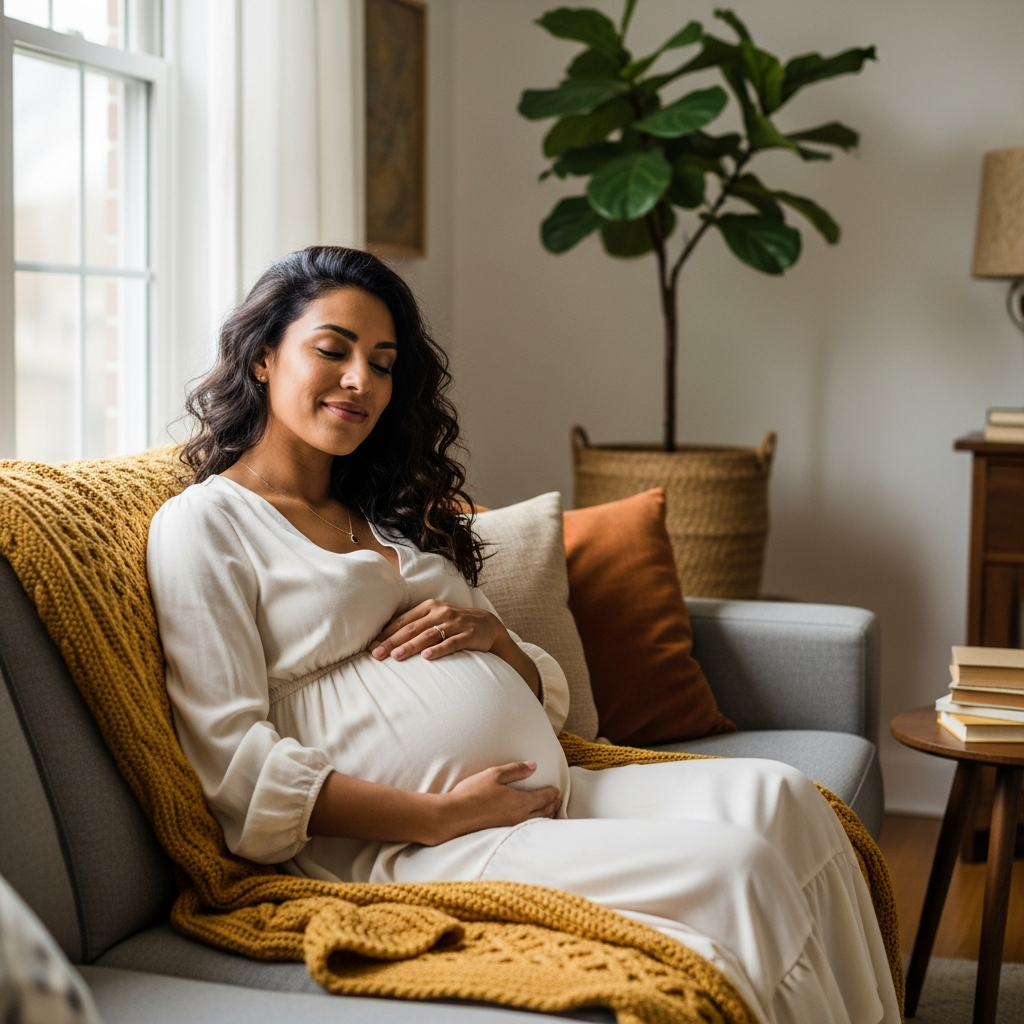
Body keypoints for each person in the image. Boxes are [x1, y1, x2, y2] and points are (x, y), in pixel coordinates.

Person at [147, 246, 899, 1024]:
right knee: (736, 870)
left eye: (382, 363)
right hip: (411, 848)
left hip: (541, 795)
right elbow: (234, 765)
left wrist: (496, 642)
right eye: (332, 351)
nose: (359, 382)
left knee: (787, 800)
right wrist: (438, 815)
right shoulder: (206, 524)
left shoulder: (383, 513)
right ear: (264, 358)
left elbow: (551, 702)